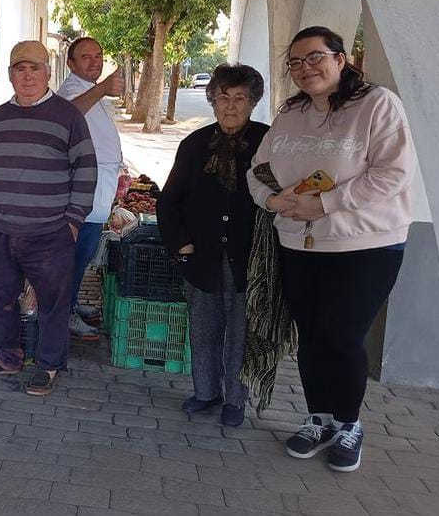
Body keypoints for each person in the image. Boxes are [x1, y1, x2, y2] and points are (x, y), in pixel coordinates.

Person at [247, 26, 414, 472]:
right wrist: (272, 200)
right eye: (296, 62)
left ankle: (349, 424)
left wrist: (325, 203)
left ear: (341, 59)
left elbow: (393, 173)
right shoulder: (292, 113)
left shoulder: (377, 105)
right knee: (313, 337)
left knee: (342, 335)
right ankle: (317, 418)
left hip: (364, 245)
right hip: (299, 244)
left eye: (315, 57)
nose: (306, 68)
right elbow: (258, 168)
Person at [0, 40, 97, 396]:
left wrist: (72, 220)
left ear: (48, 73)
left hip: (50, 232)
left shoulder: (67, 116)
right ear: (10, 76)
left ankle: (49, 365)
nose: (27, 76)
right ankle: (6, 357)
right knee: (1, 297)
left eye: (34, 68)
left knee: (53, 303)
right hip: (0, 231)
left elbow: (86, 170)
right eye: (19, 69)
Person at [156, 63, 268, 428]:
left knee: (241, 333)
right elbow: (168, 201)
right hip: (201, 255)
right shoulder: (194, 145)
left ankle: (236, 399)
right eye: (223, 98)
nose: (230, 106)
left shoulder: (268, 144)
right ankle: (206, 391)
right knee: (203, 328)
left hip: (248, 259)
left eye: (239, 98)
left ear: (252, 103)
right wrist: (181, 246)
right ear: (212, 101)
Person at [55, 37, 125, 338]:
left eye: (99, 56)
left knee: (83, 252)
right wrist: (103, 89)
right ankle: (64, 313)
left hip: (101, 183)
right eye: (86, 57)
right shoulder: (73, 89)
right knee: (77, 252)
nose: (95, 62)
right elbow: (68, 115)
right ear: (71, 63)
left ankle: (70, 304)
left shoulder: (88, 89)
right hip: (86, 186)